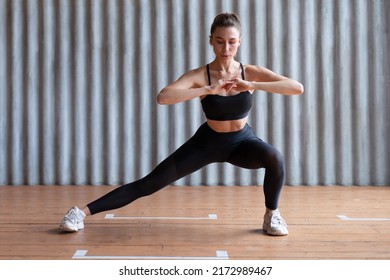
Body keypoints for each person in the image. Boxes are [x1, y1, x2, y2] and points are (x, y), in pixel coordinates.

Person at [59, 13, 303, 236]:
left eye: (231, 41)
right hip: (207, 143)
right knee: (149, 184)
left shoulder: (250, 72)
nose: (226, 48)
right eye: (220, 41)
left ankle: (272, 215)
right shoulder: (200, 75)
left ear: (239, 41)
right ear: (211, 41)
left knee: (275, 157)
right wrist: (208, 89)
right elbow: (163, 97)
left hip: (242, 143)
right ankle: (80, 213)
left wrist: (252, 85)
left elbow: (296, 88)